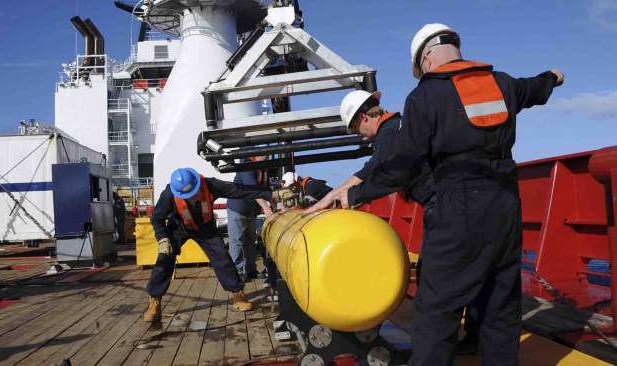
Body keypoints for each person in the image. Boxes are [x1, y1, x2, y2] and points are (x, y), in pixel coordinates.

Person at [307, 23, 563, 365]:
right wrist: (554, 76)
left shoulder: (425, 97)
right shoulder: (502, 83)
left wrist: (355, 196)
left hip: (456, 208)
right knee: (500, 311)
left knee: (436, 314)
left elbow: (403, 166)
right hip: (505, 205)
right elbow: (537, 87)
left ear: (426, 57)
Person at [143, 167, 274, 322]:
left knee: (222, 258)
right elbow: (157, 218)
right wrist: (163, 239)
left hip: (205, 227)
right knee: (164, 259)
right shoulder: (169, 194)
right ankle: (155, 300)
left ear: (198, 184)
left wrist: (268, 194)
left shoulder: (210, 184)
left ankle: (237, 294)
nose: (192, 197)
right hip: (178, 228)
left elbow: (237, 190)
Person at [305, 89, 403, 211]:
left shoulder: (389, 135)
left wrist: (353, 195)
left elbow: (392, 176)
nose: (358, 134)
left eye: (355, 128)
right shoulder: (393, 129)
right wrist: (330, 197)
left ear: (363, 117)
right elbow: (368, 171)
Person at [227, 156, 273, 282]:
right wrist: (266, 207)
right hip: (237, 208)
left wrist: (275, 203)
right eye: (264, 153)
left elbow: (267, 190)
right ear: (255, 154)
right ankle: (238, 273)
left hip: (250, 210)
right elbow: (253, 190)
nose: (267, 156)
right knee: (237, 241)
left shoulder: (263, 168)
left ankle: (251, 270)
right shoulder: (246, 166)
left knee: (250, 240)